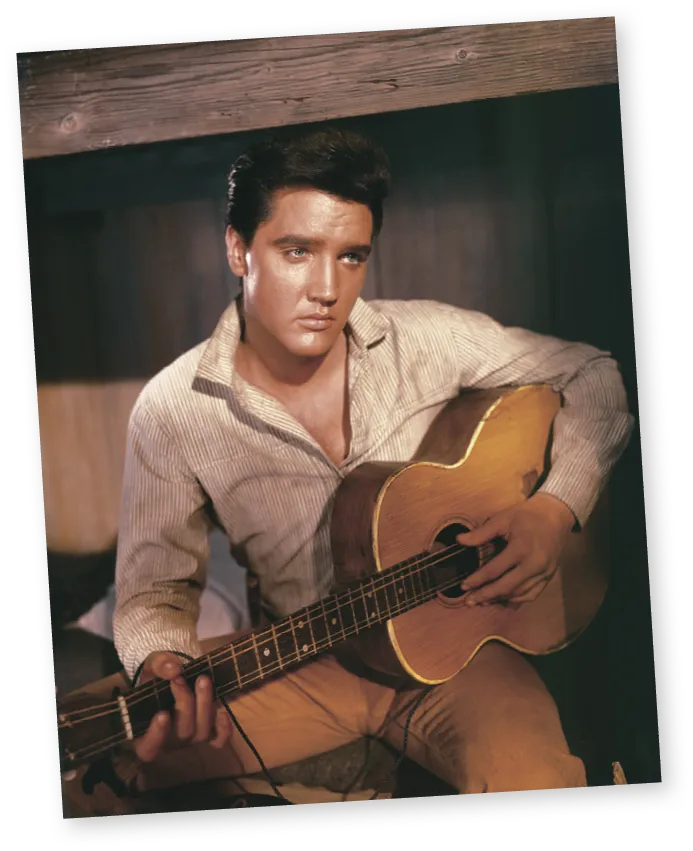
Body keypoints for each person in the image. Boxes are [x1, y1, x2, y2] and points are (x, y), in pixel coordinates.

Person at [63, 127, 634, 814]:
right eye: (297, 251)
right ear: (238, 248)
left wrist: (553, 509)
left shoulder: (426, 337)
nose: (327, 289)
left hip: (463, 658)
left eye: (351, 256)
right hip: (306, 655)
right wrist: (163, 660)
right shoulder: (172, 408)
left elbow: (594, 372)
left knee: (539, 794)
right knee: (87, 771)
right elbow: (154, 591)